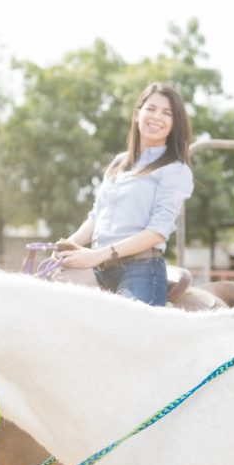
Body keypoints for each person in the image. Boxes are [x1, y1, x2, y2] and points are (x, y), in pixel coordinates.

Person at [55, 82, 193, 306]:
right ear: (138, 114)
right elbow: (96, 217)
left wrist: (97, 255)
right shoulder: (119, 162)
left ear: (174, 124)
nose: (157, 116)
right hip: (99, 267)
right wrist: (64, 245)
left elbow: (157, 232)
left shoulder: (175, 170)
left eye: (167, 113)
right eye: (151, 109)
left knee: (129, 337)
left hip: (140, 271)